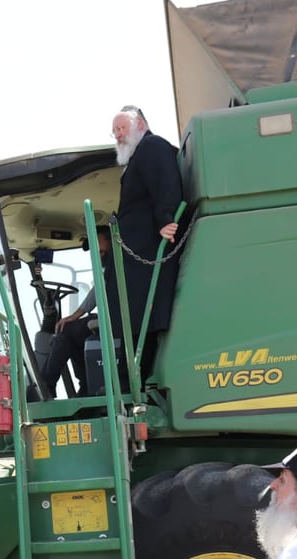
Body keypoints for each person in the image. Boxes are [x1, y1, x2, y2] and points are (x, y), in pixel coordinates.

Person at [107, 105, 183, 377]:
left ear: (139, 123)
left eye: (121, 128)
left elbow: (166, 183)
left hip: (146, 254)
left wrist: (166, 219)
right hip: (137, 254)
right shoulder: (137, 156)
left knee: (142, 321)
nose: (117, 135)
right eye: (114, 131)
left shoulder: (152, 147)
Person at [40, 226, 113, 398]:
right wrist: (74, 316)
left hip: (115, 319)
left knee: (66, 331)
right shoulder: (110, 269)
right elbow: (99, 290)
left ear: (111, 239)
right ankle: (86, 386)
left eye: (98, 242)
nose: (96, 250)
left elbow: (99, 291)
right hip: (109, 317)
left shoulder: (118, 264)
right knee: (71, 337)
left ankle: (47, 385)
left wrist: (74, 317)